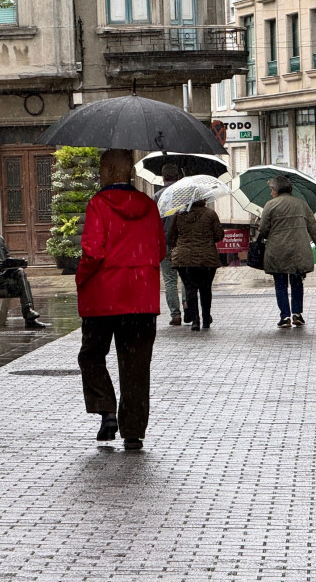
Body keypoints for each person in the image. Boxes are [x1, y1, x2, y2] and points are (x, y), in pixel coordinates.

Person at [76, 149, 166, 451]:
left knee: (91, 355)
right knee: (136, 366)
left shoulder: (98, 205)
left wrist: (81, 278)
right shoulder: (148, 206)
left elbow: (93, 252)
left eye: (103, 168)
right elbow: (160, 249)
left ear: (112, 171)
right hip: (140, 298)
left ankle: (106, 410)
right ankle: (133, 431)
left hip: (103, 297)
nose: (100, 174)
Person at [259, 175, 316, 329]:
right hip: (298, 250)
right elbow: (314, 228)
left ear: (276, 190)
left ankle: (285, 317)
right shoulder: (302, 204)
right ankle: (297, 314)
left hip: (277, 251)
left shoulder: (270, 205)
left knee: (280, 284)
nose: (271, 193)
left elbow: (263, 230)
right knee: (296, 282)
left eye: (271, 190)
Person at [168, 198, 224, 331]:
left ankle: (195, 321)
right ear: (203, 199)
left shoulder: (179, 215)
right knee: (205, 289)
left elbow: (171, 237)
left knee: (190, 288)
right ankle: (206, 319)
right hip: (206, 258)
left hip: (184, 258)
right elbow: (218, 235)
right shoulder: (210, 214)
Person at [153, 163, 187, 326]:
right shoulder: (185, 195)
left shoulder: (158, 197)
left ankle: (175, 315)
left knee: (170, 281)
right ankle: (188, 307)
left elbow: (153, 224)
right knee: (186, 278)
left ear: (163, 177)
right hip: (184, 244)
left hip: (165, 245)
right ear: (178, 177)